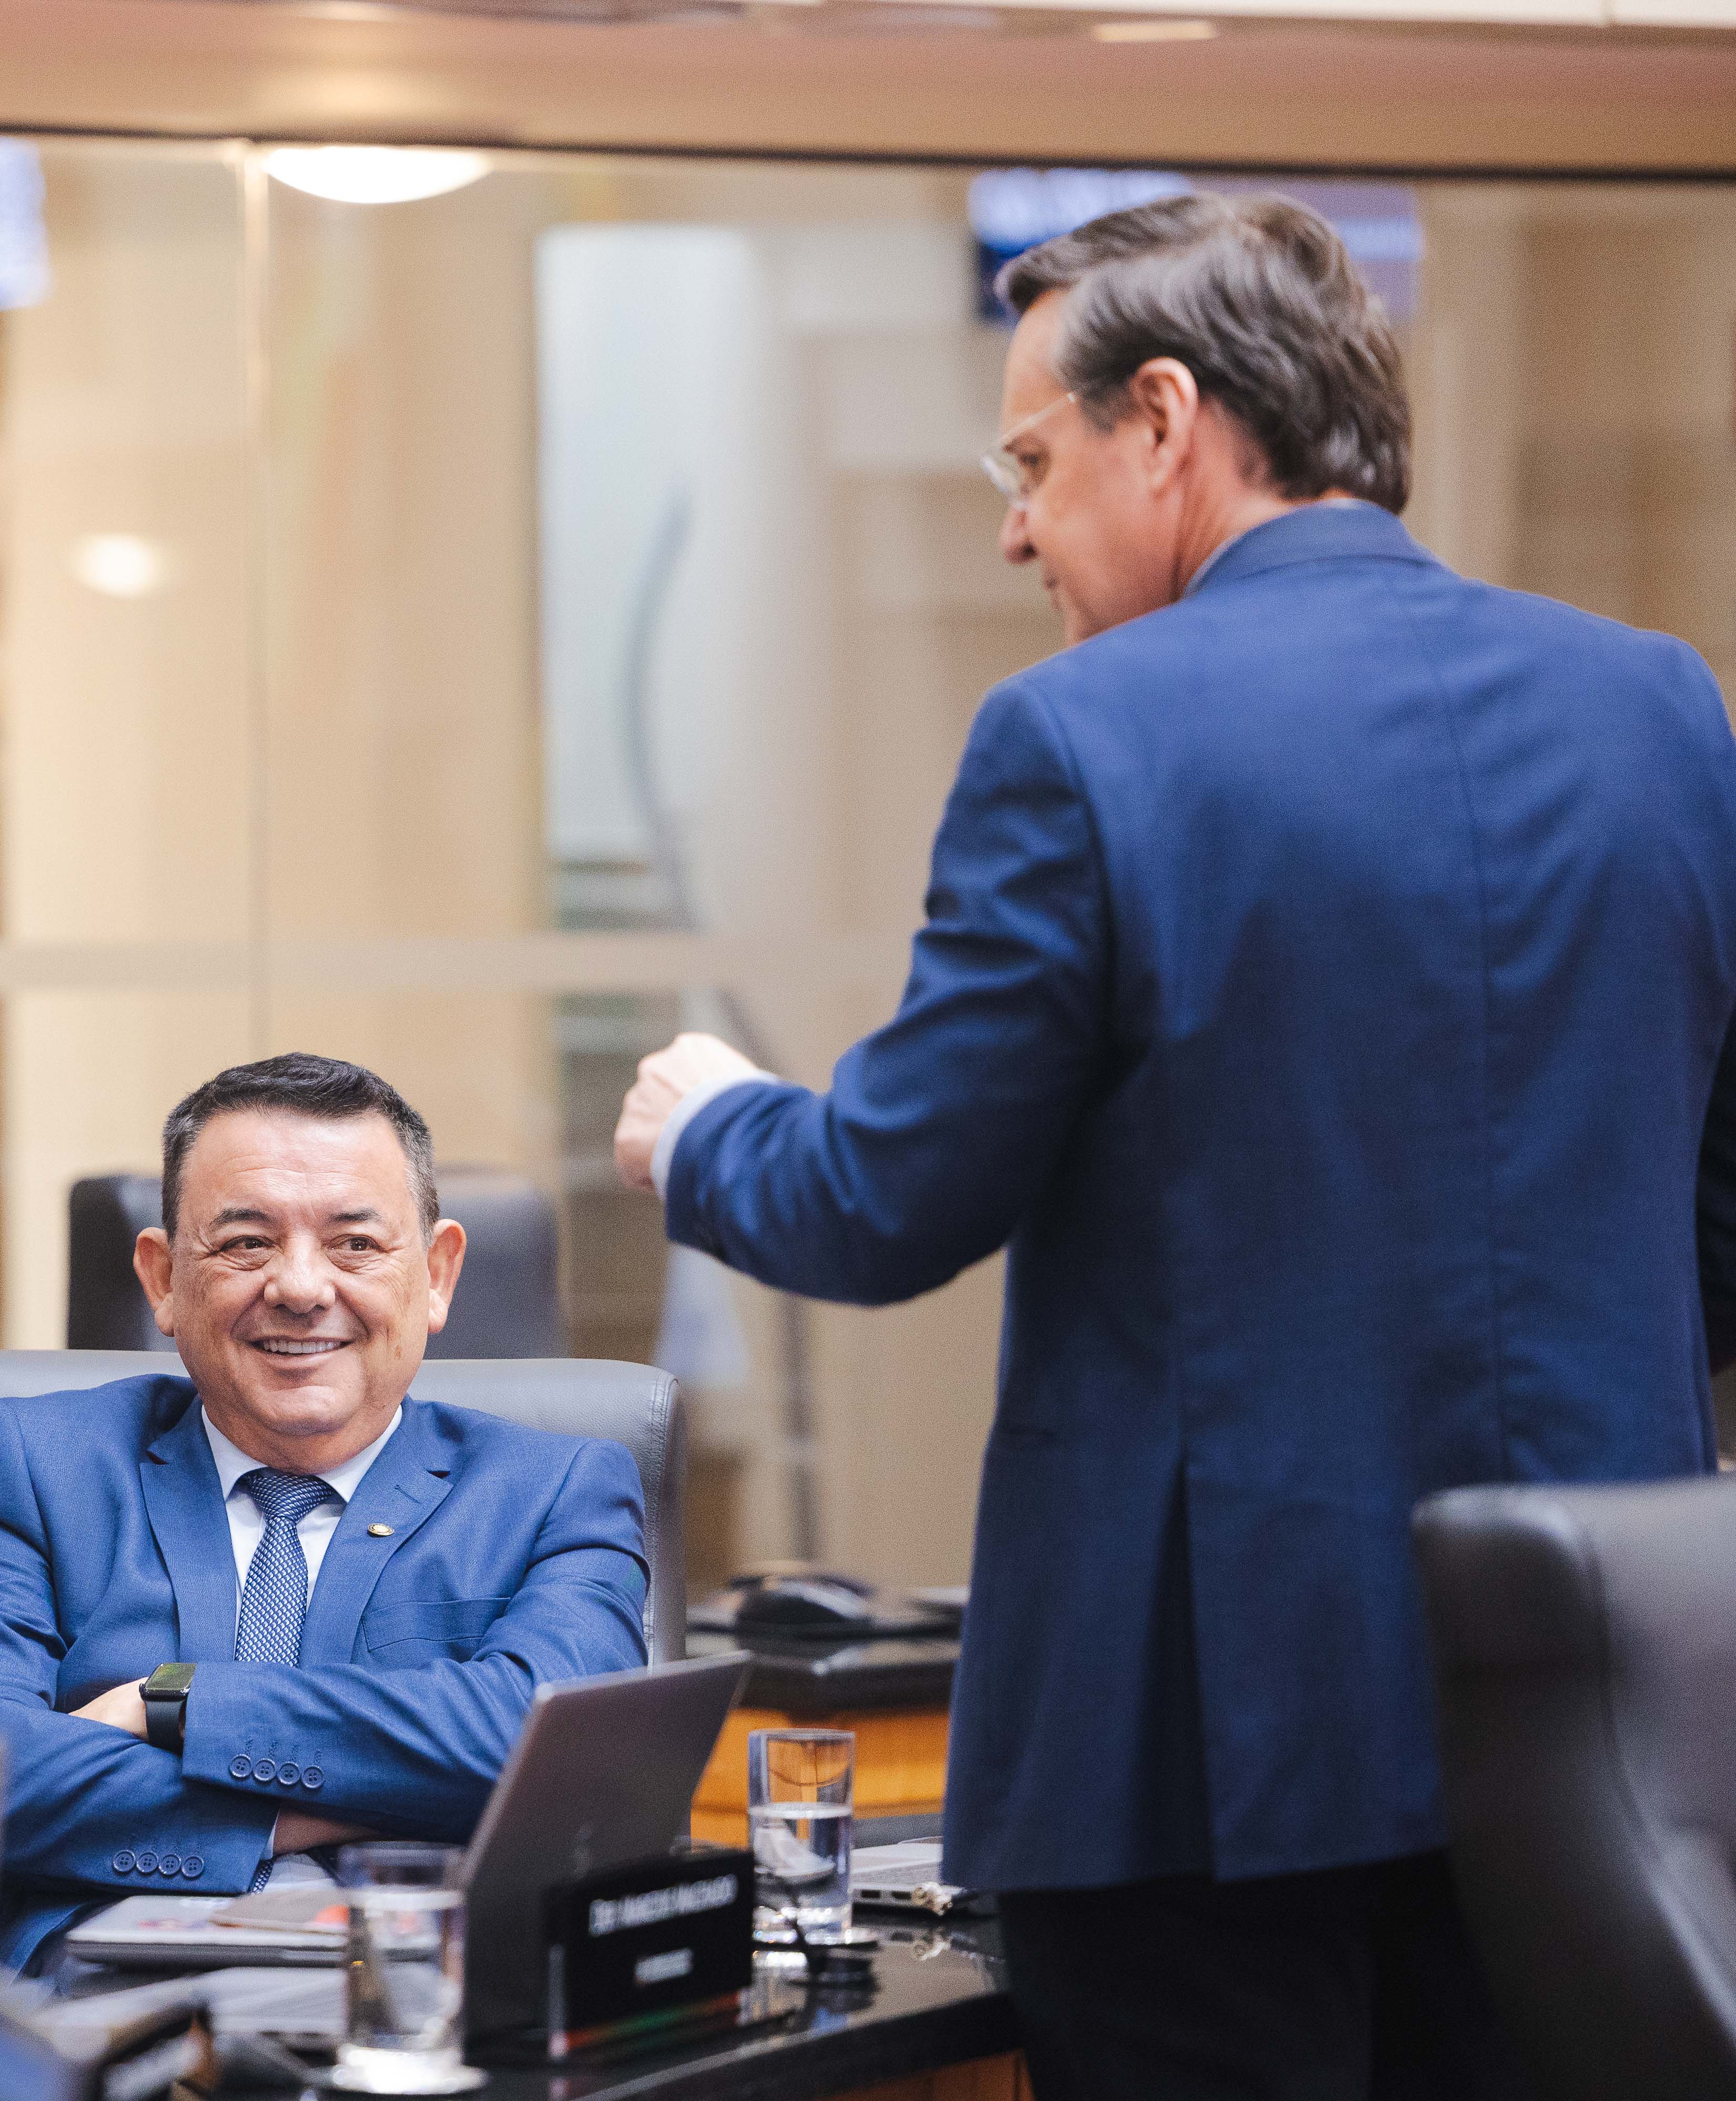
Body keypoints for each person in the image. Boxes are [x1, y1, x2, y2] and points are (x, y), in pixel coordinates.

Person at [614, 192, 1736, 2100]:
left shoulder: (1081, 737)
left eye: (1029, 462)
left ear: (1159, 418)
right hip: (1589, 1740)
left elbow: (886, 1194)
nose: (1010, 527)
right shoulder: (1658, 711)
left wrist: (707, 1127)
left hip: (1199, 1759)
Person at [0, 1054, 649, 1972]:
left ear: (439, 1274)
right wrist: (368, 1794)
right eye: (247, 1243)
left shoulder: (556, 1489)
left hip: (426, 1995)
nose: (299, 1287)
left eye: (355, 1244)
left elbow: (555, 1753)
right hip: (105, 1998)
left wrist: (176, 1704)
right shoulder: (47, 1463)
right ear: (163, 1279)